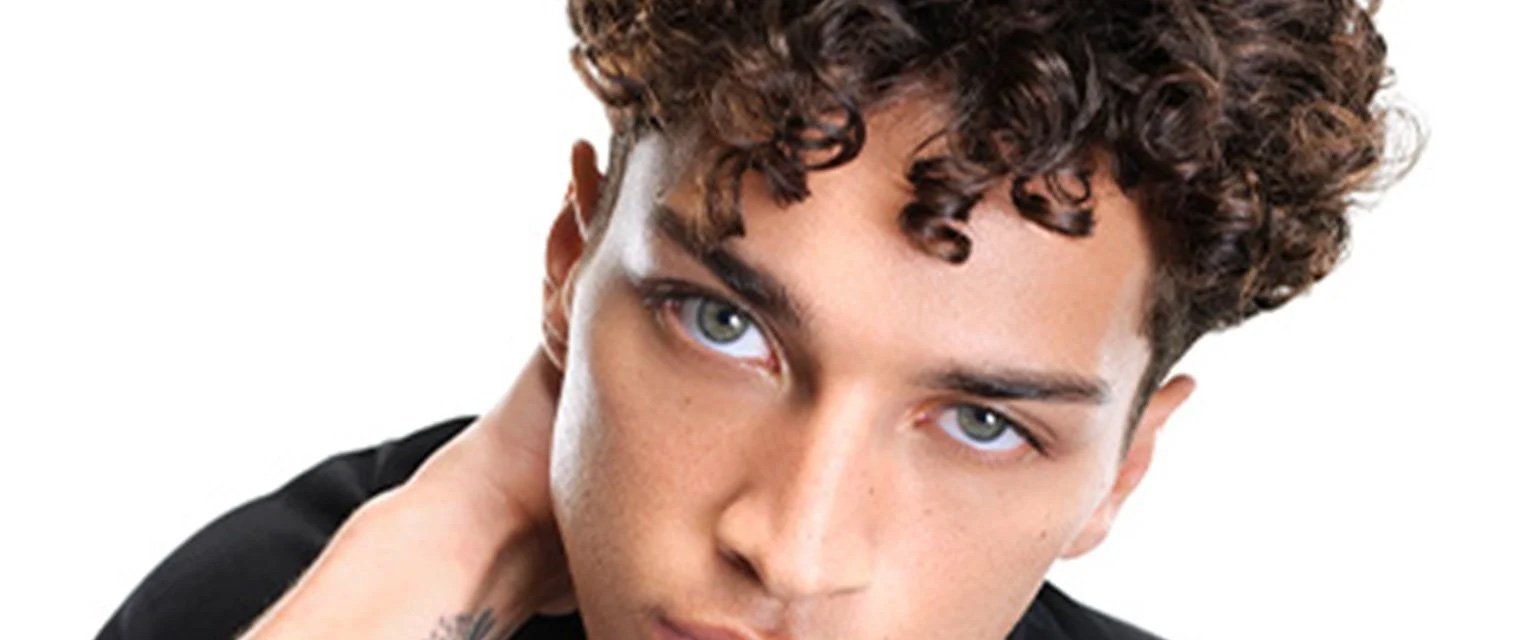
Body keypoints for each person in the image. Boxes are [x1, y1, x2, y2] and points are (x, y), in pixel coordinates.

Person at [96, 0, 1408, 638]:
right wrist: (443, 546)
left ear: (1123, 468)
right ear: (570, 269)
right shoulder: (290, 598)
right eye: (724, 327)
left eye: (980, 421)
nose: (792, 547)